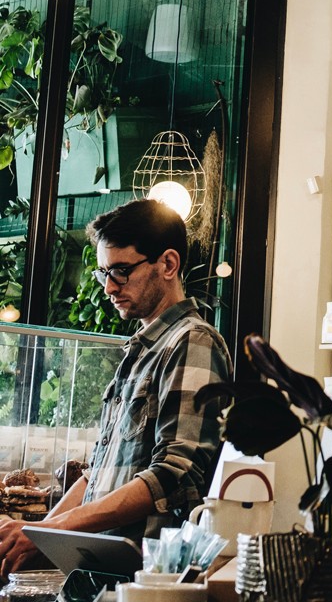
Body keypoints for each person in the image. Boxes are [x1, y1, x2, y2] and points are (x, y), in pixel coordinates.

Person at [0, 199, 233, 576]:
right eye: (103, 273)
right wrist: (39, 536)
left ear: (168, 264)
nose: (109, 287)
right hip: (98, 570)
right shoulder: (139, 352)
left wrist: (47, 529)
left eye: (121, 271)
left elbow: (172, 474)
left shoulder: (193, 341)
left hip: (145, 578)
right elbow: (98, 473)